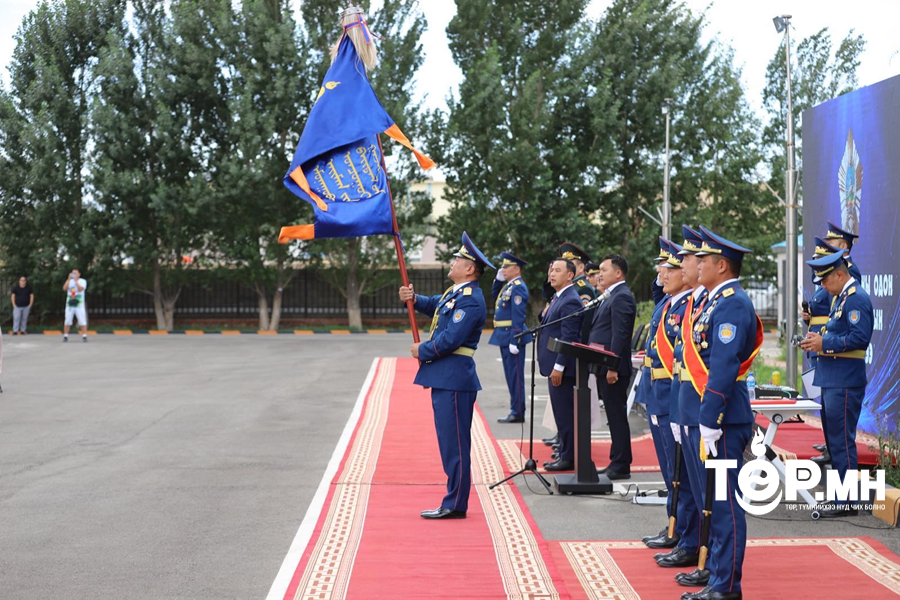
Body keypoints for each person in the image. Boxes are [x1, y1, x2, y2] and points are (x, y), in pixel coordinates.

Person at [678, 226, 763, 600]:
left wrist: (710, 419)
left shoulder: (731, 303)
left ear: (722, 266)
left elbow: (725, 366)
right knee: (714, 502)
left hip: (725, 419)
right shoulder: (715, 301)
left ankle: (727, 586)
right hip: (717, 417)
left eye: (703, 261)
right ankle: (716, 576)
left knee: (726, 506)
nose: (696, 267)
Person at [399, 232, 491, 519]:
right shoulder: (456, 294)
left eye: (458, 259)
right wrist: (414, 299)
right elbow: (435, 305)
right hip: (445, 377)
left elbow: (451, 339)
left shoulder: (472, 300)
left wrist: (422, 350)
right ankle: (454, 499)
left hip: (454, 378)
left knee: (455, 445)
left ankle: (455, 503)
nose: (452, 262)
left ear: (470, 269)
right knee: (448, 442)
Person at [800, 251, 873, 518]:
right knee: (834, 441)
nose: (822, 287)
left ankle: (846, 500)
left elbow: (859, 338)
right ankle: (840, 496)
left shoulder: (856, 299)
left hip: (844, 380)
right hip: (833, 378)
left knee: (841, 441)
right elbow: (836, 331)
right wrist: (816, 337)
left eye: (825, 281)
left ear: (840, 275)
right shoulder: (841, 297)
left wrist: (824, 343)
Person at [655, 226, 706, 589]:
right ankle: (685, 537)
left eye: (671, 267)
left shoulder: (697, 305)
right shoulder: (672, 304)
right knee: (679, 477)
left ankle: (692, 543)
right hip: (673, 393)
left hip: (691, 398)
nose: (663, 274)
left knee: (694, 484)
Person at [588, 254, 636, 480]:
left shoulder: (622, 297)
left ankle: (621, 464)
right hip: (605, 365)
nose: (599, 274)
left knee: (616, 416)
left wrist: (613, 367)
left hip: (613, 368)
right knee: (614, 415)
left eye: (603, 270)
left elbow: (620, 335)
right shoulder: (611, 295)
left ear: (618, 273)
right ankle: (616, 460)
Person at [537, 258, 584, 471]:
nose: (552, 274)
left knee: (565, 415)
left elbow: (568, 337)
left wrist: (559, 367)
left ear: (570, 275)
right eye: (551, 269)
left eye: (557, 270)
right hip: (555, 366)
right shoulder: (559, 297)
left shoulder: (570, 300)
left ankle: (568, 457)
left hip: (562, 369)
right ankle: (565, 452)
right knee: (560, 413)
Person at [800, 237, 842, 465]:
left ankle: (832, 447)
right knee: (823, 402)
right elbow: (818, 316)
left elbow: (833, 318)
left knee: (829, 403)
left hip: (825, 346)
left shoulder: (834, 286)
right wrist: (807, 319)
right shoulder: (820, 287)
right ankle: (829, 443)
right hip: (817, 344)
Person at [491, 252, 532, 423]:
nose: (503, 269)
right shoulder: (509, 286)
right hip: (503, 335)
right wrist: (498, 280)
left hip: (511, 336)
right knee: (510, 375)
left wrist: (515, 339)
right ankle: (515, 409)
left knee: (515, 376)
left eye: (506, 267)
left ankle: (518, 411)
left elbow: (518, 316)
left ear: (516, 269)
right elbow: (495, 297)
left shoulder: (518, 287)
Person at [62, 269, 89, 342]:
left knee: (82, 320)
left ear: (79, 274)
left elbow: (80, 289)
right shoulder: (69, 281)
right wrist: (68, 279)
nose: (73, 274)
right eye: (72, 273)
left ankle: (84, 335)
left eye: (75, 273)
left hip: (79, 304)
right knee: (67, 320)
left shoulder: (82, 281)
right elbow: (64, 288)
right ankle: (65, 336)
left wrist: (76, 281)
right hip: (70, 304)